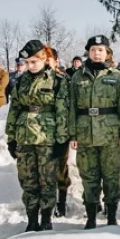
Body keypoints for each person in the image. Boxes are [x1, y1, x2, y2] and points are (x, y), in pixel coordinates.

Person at [6, 40, 71, 232]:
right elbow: (14, 108)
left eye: (34, 61)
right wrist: (11, 137)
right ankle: (32, 218)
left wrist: (62, 140)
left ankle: (46, 219)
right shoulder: (22, 81)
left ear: (44, 59)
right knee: (28, 180)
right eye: (28, 63)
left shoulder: (57, 81)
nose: (30, 66)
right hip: (24, 137)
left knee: (47, 180)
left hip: (46, 138)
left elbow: (62, 112)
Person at [69, 35, 120, 228]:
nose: (97, 54)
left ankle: (112, 216)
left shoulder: (116, 76)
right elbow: (71, 107)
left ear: (107, 53)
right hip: (85, 134)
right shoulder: (78, 77)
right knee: (89, 176)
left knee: (111, 176)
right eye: (94, 50)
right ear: (88, 52)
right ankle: (91, 216)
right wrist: (72, 134)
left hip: (110, 135)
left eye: (101, 50)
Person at [48, 48, 72, 217]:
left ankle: (61, 201)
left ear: (56, 61)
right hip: (40, 133)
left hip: (60, 132)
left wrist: (65, 135)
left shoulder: (63, 81)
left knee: (60, 170)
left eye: (49, 59)